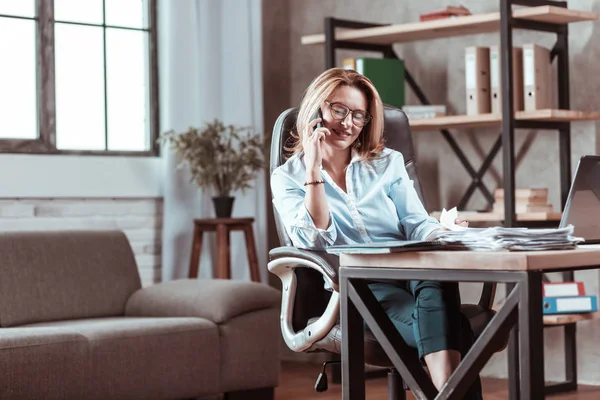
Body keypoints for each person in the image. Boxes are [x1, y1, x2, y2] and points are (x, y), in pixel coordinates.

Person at [270, 67, 482, 399]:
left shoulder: (387, 162)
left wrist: (444, 231)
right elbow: (313, 239)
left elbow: (416, 223)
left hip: (413, 270)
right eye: (338, 110)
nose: (348, 123)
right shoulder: (288, 177)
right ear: (316, 109)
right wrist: (313, 169)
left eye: (358, 115)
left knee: (437, 278)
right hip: (358, 286)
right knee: (457, 327)